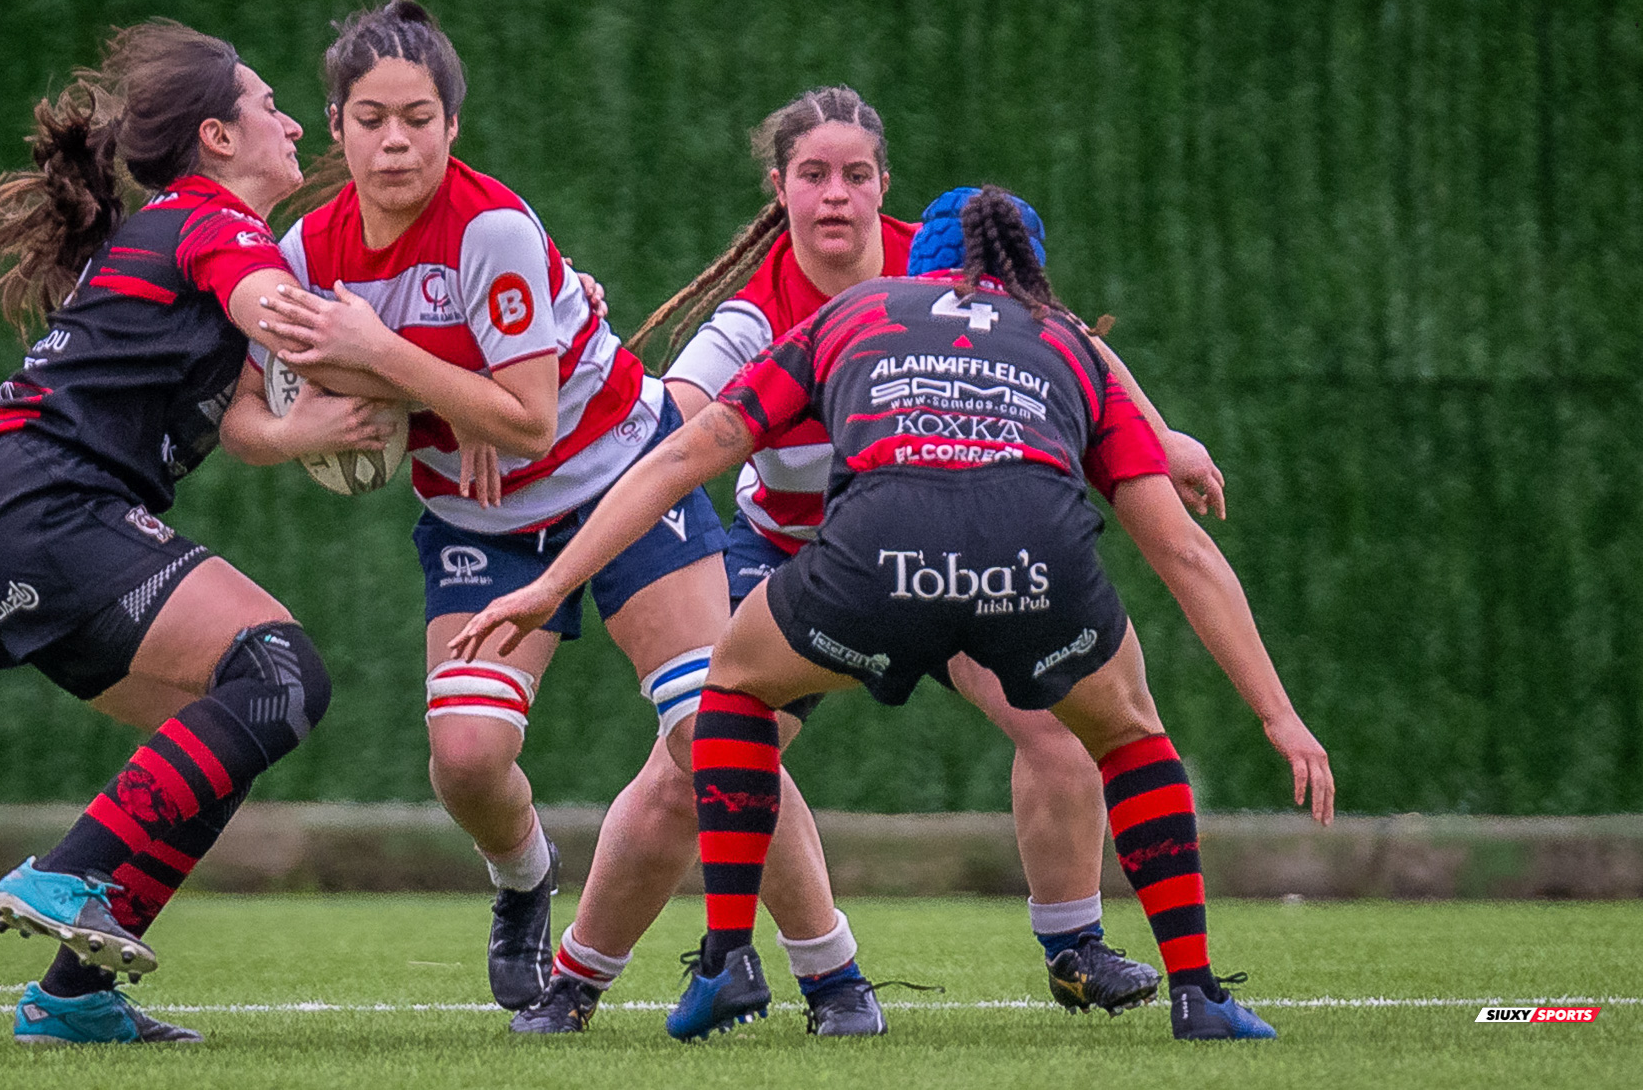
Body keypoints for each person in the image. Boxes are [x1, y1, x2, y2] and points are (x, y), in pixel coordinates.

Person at [452, 185, 1335, 1043]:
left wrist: (550, 583)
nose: (835, 196)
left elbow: (681, 453)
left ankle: (730, 957)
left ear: (915, 251)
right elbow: (1183, 551)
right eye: (816, 175)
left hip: (872, 565)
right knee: (1128, 733)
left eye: (853, 176)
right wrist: (1279, 715)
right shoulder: (1067, 341)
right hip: (1024, 571)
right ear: (1036, 277)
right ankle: (1198, 993)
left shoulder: (856, 311)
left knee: (727, 692)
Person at [222, 0, 850, 1021]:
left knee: (712, 733)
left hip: (623, 477)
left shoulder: (493, 229)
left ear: (453, 124)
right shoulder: (304, 257)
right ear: (336, 126)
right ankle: (524, 877)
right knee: (467, 761)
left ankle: (833, 976)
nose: (396, 142)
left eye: (419, 117)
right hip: (481, 523)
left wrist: (384, 360)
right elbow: (245, 418)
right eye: (372, 118)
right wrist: (313, 430)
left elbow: (526, 417)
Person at [0, 22, 357, 1045]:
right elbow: (287, 320)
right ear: (217, 136)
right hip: (42, 504)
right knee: (282, 673)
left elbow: (244, 422)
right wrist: (458, 366)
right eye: (269, 106)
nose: (295, 124)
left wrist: (310, 429)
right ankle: (67, 870)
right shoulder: (214, 222)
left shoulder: (180, 230)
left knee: (235, 723)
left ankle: (74, 997)